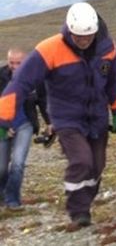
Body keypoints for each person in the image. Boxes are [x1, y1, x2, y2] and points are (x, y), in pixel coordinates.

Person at [0, 2, 116, 226]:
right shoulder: (50, 49)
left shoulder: (108, 49)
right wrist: (4, 118)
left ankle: (85, 202)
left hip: (97, 117)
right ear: (69, 30)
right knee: (81, 160)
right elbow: (20, 83)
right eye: (78, 36)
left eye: (87, 36)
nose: (83, 40)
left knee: (97, 166)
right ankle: (78, 211)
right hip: (66, 117)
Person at [0, 48, 50, 209]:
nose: (14, 66)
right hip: (2, 126)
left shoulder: (36, 78)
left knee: (18, 163)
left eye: (19, 63)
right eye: (11, 63)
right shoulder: (1, 76)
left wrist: (50, 122)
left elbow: (43, 101)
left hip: (25, 125)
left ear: (26, 61)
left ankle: (12, 200)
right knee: (1, 167)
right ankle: (1, 194)